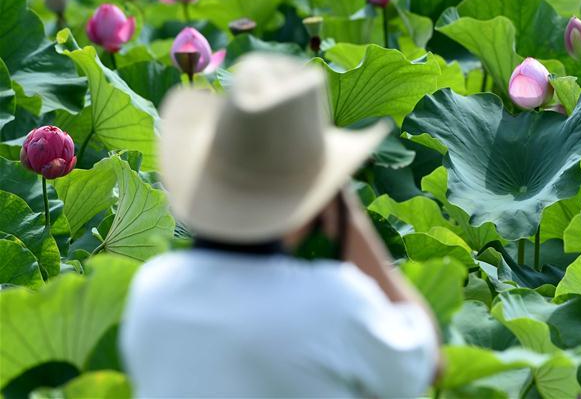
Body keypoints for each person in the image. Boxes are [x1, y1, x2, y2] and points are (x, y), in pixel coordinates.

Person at [120, 53, 441, 398]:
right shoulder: (335, 303)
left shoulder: (151, 289)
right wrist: (354, 228)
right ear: (315, 198)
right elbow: (429, 364)